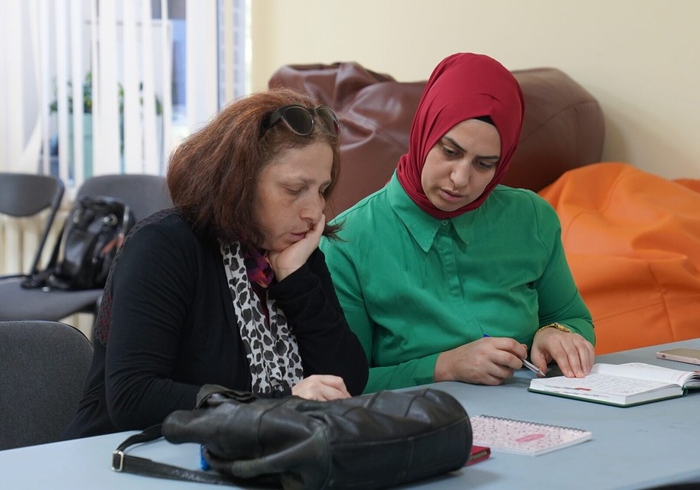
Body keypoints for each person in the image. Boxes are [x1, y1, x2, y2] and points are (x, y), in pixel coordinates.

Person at [62, 88, 368, 439]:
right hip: (122, 454)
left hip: (241, 454)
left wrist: (295, 279)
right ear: (238, 181)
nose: (314, 211)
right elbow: (134, 397)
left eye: (322, 190)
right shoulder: (163, 246)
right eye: (294, 190)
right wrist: (280, 405)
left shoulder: (294, 251)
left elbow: (347, 381)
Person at [320, 52, 595, 393]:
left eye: (484, 164)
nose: (460, 178)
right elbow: (345, 384)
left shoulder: (532, 218)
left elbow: (574, 319)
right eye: (450, 152)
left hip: (539, 412)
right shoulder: (346, 241)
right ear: (424, 134)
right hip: (414, 418)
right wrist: (443, 367)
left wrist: (557, 334)